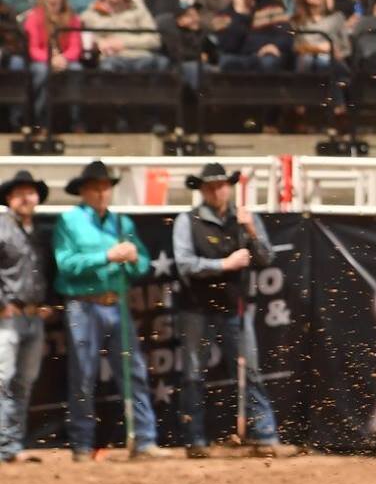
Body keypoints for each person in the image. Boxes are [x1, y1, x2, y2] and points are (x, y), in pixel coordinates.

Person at [52, 160, 166, 461]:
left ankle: (144, 440)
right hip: (83, 305)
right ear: (84, 191)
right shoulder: (68, 222)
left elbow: (142, 264)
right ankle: (81, 444)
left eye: (105, 187)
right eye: (96, 188)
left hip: (117, 303)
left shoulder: (122, 224)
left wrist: (131, 259)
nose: (102, 193)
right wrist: (107, 256)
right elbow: (66, 265)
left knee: (134, 372)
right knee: (83, 375)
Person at [171, 162, 280, 457]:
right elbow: (184, 264)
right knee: (194, 373)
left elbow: (266, 257)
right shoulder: (187, 221)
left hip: (235, 307)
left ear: (229, 187)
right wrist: (224, 264)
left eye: (221, 185)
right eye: (210, 186)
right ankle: (194, 439)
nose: (216, 191)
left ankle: (264, 435)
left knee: (249, 370)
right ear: (202, 190)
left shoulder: (246, 219)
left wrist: (250, 231)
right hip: (196, 308)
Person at [0, 170, 50, 463]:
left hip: (32, 315)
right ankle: (5, 445)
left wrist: (47, 304)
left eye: (29, 193)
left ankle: (10, 446)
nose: (25, 198)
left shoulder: (39, 233)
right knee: (4, 380)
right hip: (8, 315)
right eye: (19, 193)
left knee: (23, 382)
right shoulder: (2, 228)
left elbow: (46, 273)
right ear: (9, 198)